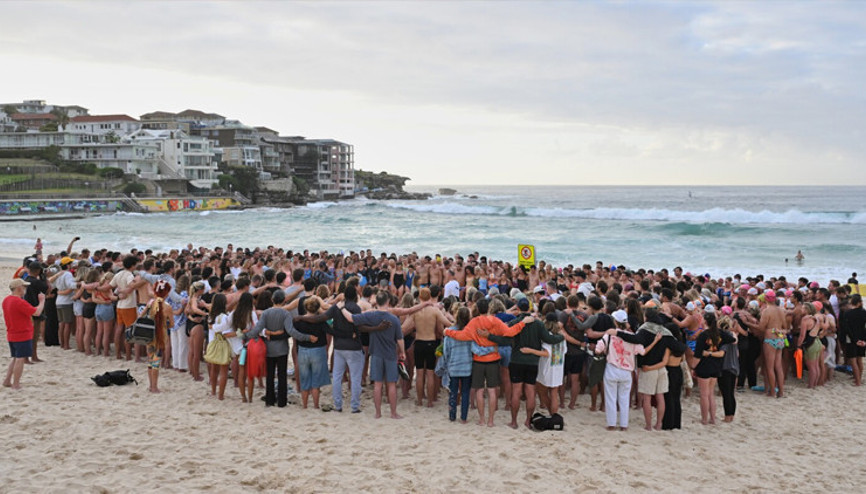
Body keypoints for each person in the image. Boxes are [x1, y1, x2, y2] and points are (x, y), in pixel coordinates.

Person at [340, 291, 407, 419]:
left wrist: (342, 307)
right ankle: (393, 413)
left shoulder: (372, 316)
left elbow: (351, 318)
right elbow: (399, 339)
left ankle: (378, 413)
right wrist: (402, 352)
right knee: (391, 384)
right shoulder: (393, 319)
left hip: (376, 353)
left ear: (377, 302)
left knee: (377, 384)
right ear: (388, 302)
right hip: (390, 354)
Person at [596, 310, 660, 431]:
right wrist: (655, 341)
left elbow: (598, 349)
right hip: (626, 371)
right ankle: (624, 425)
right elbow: (643, 351)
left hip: (612, 368)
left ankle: (611, 424)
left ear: (615, 321)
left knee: (610, 398)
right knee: (624, 399)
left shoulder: (609, 335)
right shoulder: (633, 337)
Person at [691, 313, 734, 425]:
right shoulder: (719, 333)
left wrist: (692, 367)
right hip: (716, 365)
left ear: (705, 321)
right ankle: (713, 419)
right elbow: (732, 339)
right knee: (710, 394)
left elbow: (698, 355)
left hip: (704, 366)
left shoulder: (703, 335)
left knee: (704, 394)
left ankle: (705, 419)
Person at [3, 279, 46, 389]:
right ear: (19, 288)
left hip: (12, 333)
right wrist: (42, 301)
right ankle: (16, 383)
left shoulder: (7, 300)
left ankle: (7, 380)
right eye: (24, 287)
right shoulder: (19, 301)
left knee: (15, 357)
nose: (26, 289)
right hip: (22, 333)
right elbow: (36, 312)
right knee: (20, 358)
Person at [441, 305, 473, 423]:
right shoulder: (470, 332)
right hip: (467, 365)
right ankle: (464, 417)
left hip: (454, 365)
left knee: (453, 391)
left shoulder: (450, 332)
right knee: (465, 392)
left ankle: (452, 415)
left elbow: (446, 351)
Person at [758, 290, 788, 397]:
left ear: (766, 299)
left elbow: (761, 327)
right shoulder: (781, 310)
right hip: (779, 339)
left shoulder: (766, 311)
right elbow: (785, 326)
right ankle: (781, 391)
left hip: (770, 339)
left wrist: (750, 323)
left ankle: (772, 392)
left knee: (770, 367)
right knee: (778, 367)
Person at [143, 280, 172, 393]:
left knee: (151, 360)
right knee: (156, 361)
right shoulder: (167, 307)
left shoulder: (150, 303)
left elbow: (141, 316)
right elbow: (172, 324)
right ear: (166, 293)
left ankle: (151, 385)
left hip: (149, 334)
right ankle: (154, 386)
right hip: (161, 335)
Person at [839, 294, 866, 386]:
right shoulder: (864, 312)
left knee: (853, 360)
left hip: (851, 339)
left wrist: (855, 340)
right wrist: (863, 340)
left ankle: (857, 381)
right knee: (859, 359)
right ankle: (858, 377)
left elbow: (847, 329)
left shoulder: (848, 313)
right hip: (862, 338)